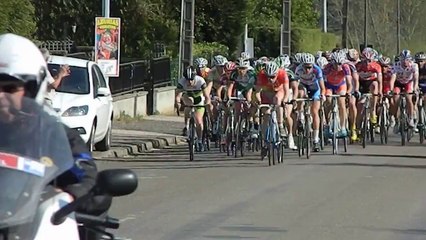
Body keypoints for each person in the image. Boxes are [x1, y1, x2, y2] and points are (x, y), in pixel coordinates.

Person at [0, 33, 110, 239]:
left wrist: (69, 196)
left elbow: (89, 179)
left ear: (33, 89)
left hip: (35, 228)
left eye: (10, 88)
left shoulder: (55, 136)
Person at [175, 66, 211, 151]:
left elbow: (206, 96)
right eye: (188, 80)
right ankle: (187, 126)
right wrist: (178, 104)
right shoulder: (182, 81)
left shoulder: (200, 81)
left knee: (198, 121)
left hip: (199, 98)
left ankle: (199, 140)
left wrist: (207, 103)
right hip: (188, 96)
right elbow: (178, 96)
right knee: (188, 105)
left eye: (191, 79)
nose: (189, 82)